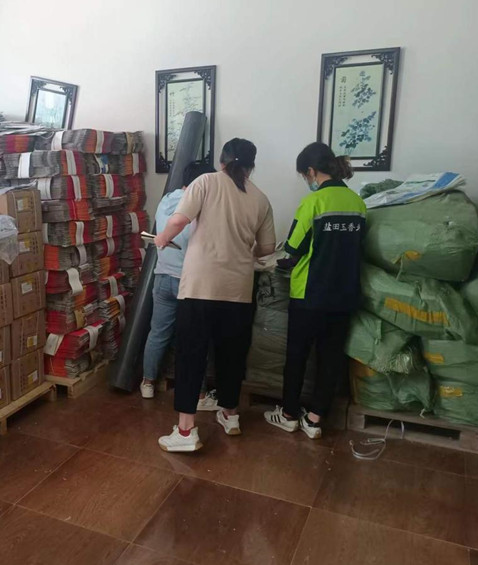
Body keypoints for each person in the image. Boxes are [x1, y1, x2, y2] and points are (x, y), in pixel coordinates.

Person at [155, 139, 276, 452]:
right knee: (231, 355)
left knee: (191, 355)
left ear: (222, 160)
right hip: (238, 290)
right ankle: (230, 415)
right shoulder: (261, 198)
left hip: (200, 286)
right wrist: (242, 249)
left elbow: (179, 220)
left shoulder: (205, 182)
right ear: (251, 166)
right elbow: (266, 248)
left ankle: (185, 432)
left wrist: (162, 237)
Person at [264, 142, 366, 439]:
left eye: (304, 175)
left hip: (309, 294)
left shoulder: (313, 203)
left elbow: (294, 248)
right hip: (344, 295)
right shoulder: (357, 203)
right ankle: (315, 419)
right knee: (331, 358)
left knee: (297, 356)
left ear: (311, 171)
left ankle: (289, 414)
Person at [140, 161, 218, 409]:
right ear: (202, 183)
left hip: (162, 277)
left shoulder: (166, 200)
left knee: (158, 333)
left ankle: (148, 382)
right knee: (195, 338)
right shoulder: (199, 204)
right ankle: (200, 394)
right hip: (189, 282)